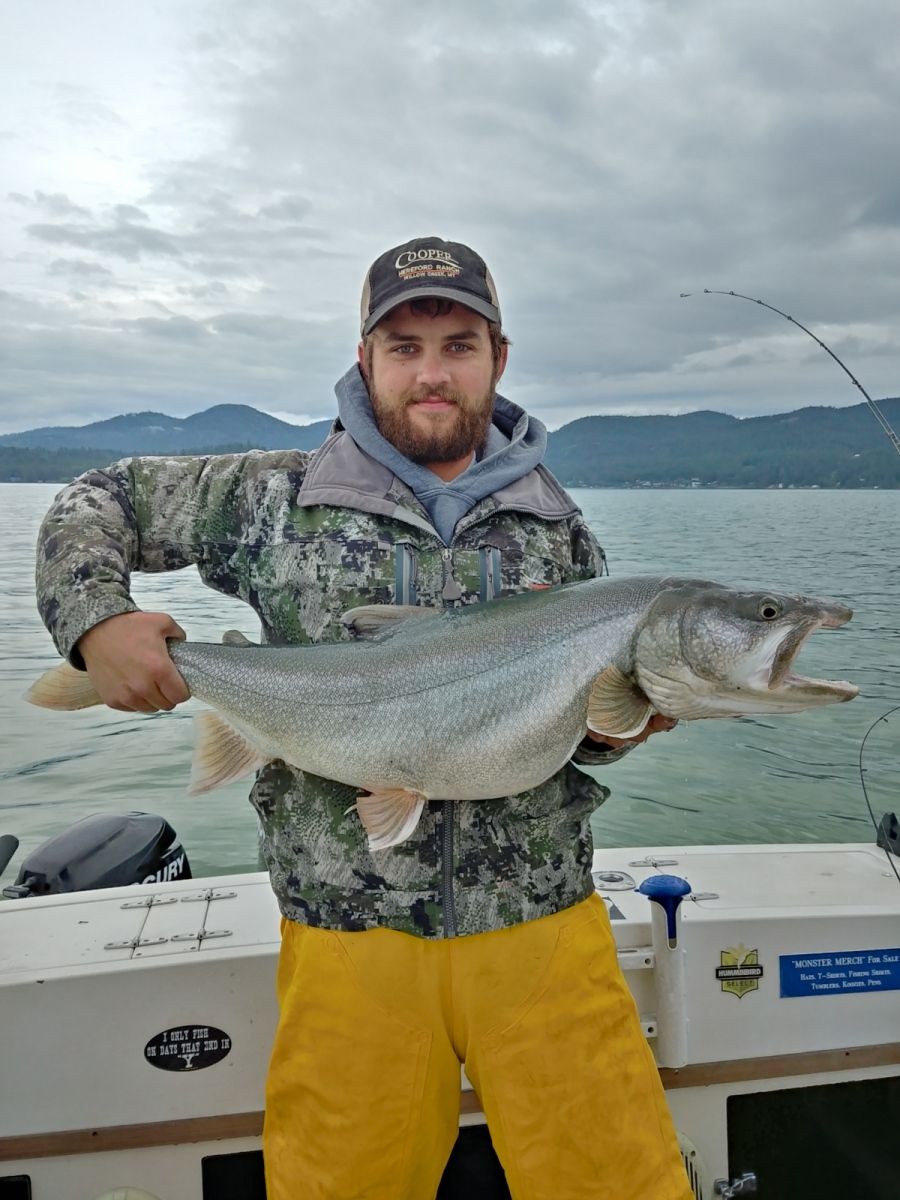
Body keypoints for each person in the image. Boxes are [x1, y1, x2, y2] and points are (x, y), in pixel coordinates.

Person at [35, 237, 692, 1200]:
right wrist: (95, 620)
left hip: (544, 924)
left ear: (498, 359)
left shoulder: (560, 530)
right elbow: (98, 498)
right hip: (348, 934)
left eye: (459, 344)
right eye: (405, 346)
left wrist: (621, 722)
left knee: (622, 1184)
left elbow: (575, 734)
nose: (433, 372)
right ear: (364, 357)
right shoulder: (273, 497)